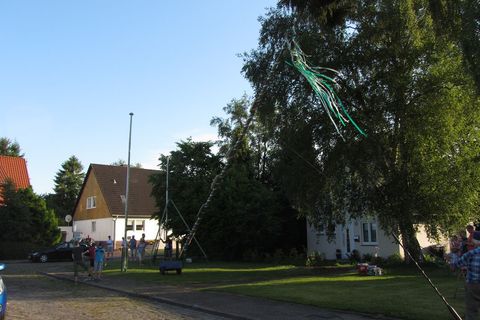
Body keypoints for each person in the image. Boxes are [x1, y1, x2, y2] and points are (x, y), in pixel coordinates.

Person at [452, 231, 480, 320]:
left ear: (476, 241)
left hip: (473, 284)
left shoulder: (471, 253)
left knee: (471, 309)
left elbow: (457, 264)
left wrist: (452, 264)